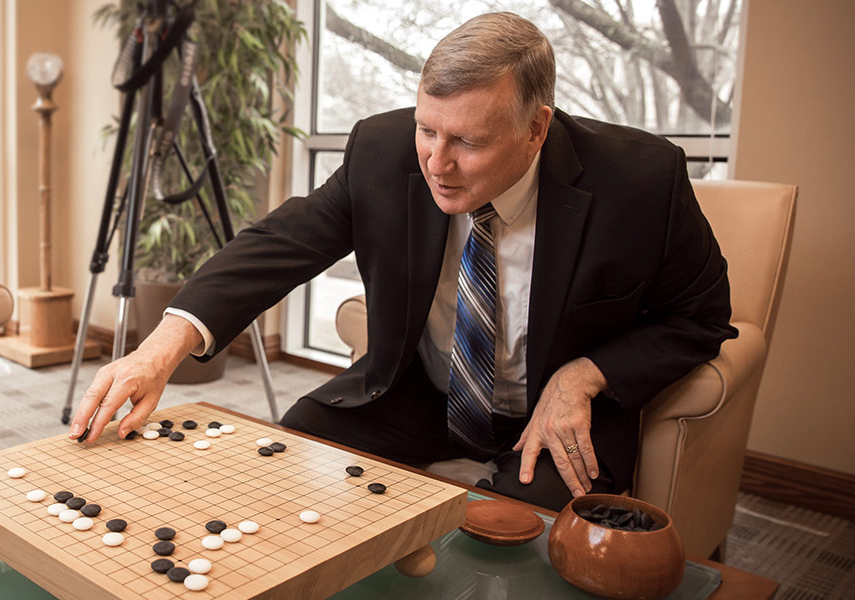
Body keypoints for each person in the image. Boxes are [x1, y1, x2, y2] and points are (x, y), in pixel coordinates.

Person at [67, 12, 736, 510]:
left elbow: (701, 317)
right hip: (420, 393)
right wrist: (163, 345)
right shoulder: (382, 151)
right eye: (427, 129)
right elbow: (280, 243)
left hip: (556, 415)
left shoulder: (641, 181)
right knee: (292, 444)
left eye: (466, 142)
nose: (437, 164)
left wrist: (585, 376)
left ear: (536, 129)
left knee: (516, 529)